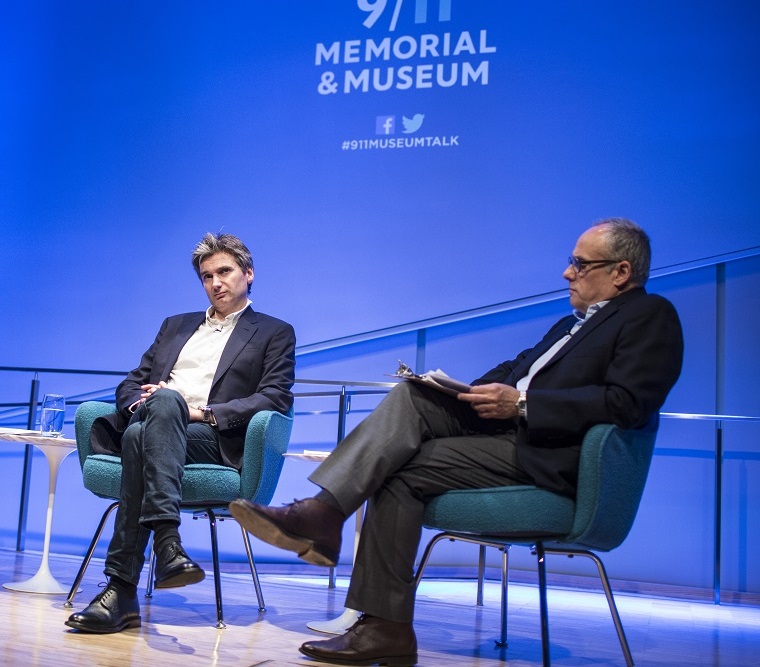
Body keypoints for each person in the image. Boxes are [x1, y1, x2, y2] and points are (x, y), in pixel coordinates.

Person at [230, 218, 683, 665]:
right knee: (411, 396)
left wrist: (522, 404)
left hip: (552, 456)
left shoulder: (650, 316)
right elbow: (512, 370)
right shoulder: (569, 325)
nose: (568, 272)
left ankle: (332, 533)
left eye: (580, 264)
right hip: (507, 438)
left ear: (621, 272)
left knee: (398, 467)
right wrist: (458, 392)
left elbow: (627, 403)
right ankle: (367, 597)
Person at [65, 232, 296, 634]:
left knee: (143, 434)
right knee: (156, 413)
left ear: (249, 273)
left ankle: (121, 588)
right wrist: (144, 403)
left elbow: (274, 398)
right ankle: (167, 547)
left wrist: (202, 411)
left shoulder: (274, 332)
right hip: (156, 421)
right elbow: (130, 383)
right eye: (207, 277)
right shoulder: (175, 326)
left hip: (209, 437)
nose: (215, 283)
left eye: (224, 272)